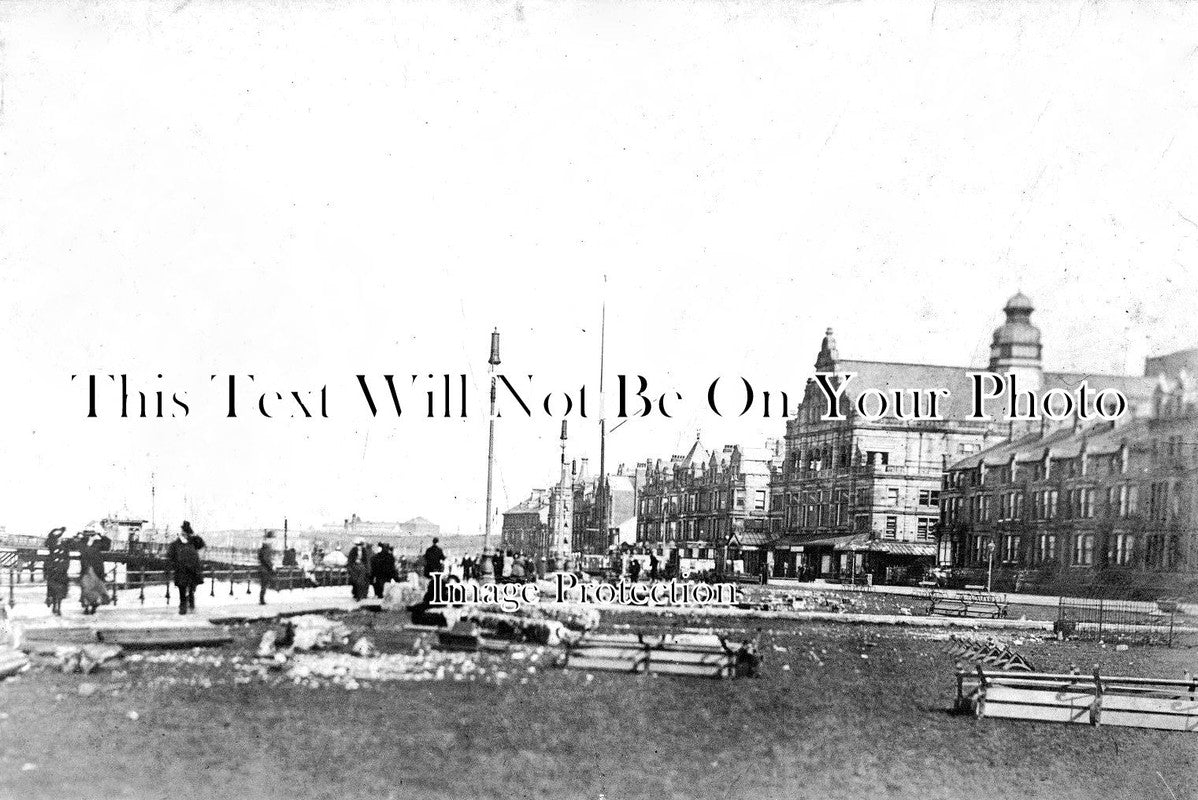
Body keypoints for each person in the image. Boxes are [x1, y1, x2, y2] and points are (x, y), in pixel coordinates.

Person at [167, 522, 205, 615]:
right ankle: (183, 607)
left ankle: (190, 602)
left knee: (192, 587)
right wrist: (175, 563)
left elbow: (201, 543)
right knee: (182, 589)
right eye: (183, 532)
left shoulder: (192, 541)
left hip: (192, 569)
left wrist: (193, 534)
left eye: (185, 533)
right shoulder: (176, 543)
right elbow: (170, 554)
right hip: (182, 570)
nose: (184, 534)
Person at [78, 531, 111, 615]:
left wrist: (102, 535)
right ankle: (86, 607)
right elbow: (81, 549)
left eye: (92, 535)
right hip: (86, 570)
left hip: (97, 570)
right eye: (89, 535)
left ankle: (93, 607)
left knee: (97, 589)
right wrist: (88, 541)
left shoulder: (98, 543)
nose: (91, 536)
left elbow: (107, 545)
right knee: (86, 588)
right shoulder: (83, 542)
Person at [43, 528, 70, 616]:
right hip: (53, 570)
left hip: (62, 571)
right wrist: (59, 530)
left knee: (61, 591)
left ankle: (58, 607)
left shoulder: (65, 546)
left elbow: (67, 559)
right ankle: (54, 605)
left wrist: (65, 567)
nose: (60, 538)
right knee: (53, 590)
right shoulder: (51, 544)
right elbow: (49, 538)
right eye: (59, 537)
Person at [257, 530, 276, 605]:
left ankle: (262, 599)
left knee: (264, 585)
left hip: (263, 568)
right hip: (265, 569)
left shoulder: (264, 547)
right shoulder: (267, 547)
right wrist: (271, 567)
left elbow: (263, 558)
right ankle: (262, 600)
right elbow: (266, 559)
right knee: (264, 585)